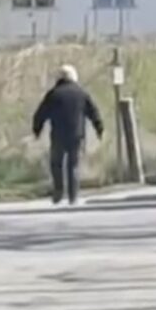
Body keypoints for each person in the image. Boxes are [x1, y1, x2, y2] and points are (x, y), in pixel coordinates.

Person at [32, 64, 104, 205]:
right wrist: (99, 128)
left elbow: (40, 114)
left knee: (56, 164)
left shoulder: (53, 94)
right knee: (74, 165)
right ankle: (73, 196)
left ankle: (58, 192)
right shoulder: (81, 94)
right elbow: (93, 112)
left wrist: (37, 130)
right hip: (77, 134)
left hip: (58, 134)